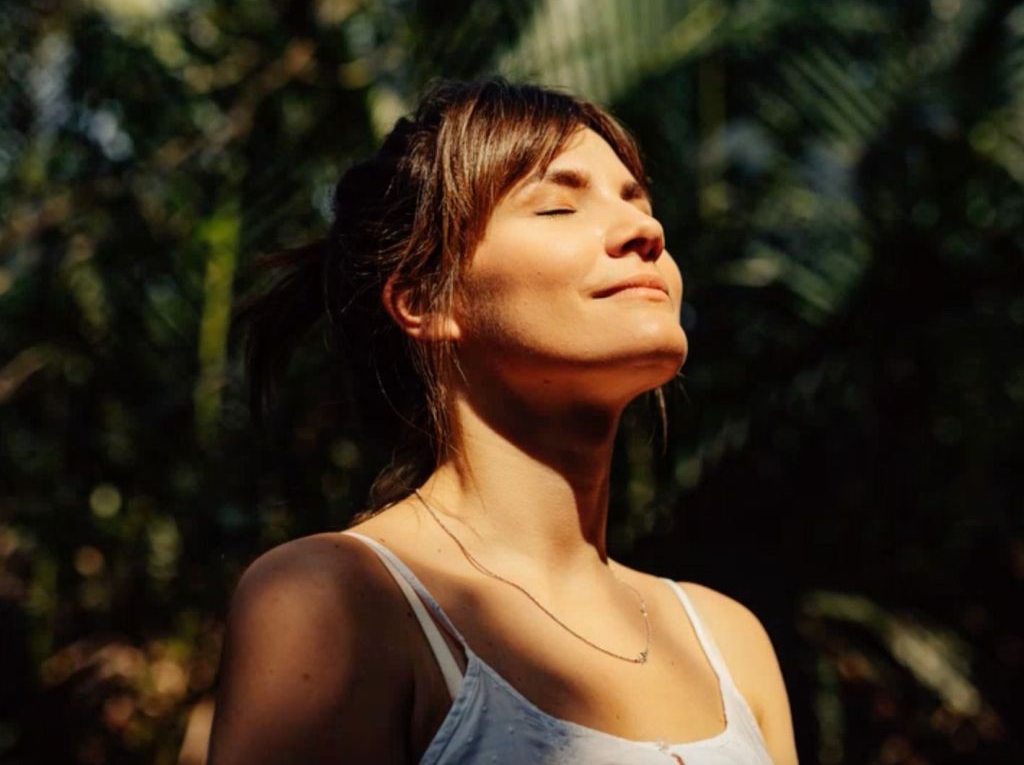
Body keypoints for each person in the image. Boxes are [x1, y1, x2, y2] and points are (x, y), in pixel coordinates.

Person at [207, 77, 799, 765]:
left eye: (637, 201)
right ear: (426, 300)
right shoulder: (338, 600)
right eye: (558, 206)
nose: (647, 231)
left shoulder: (729, 643)